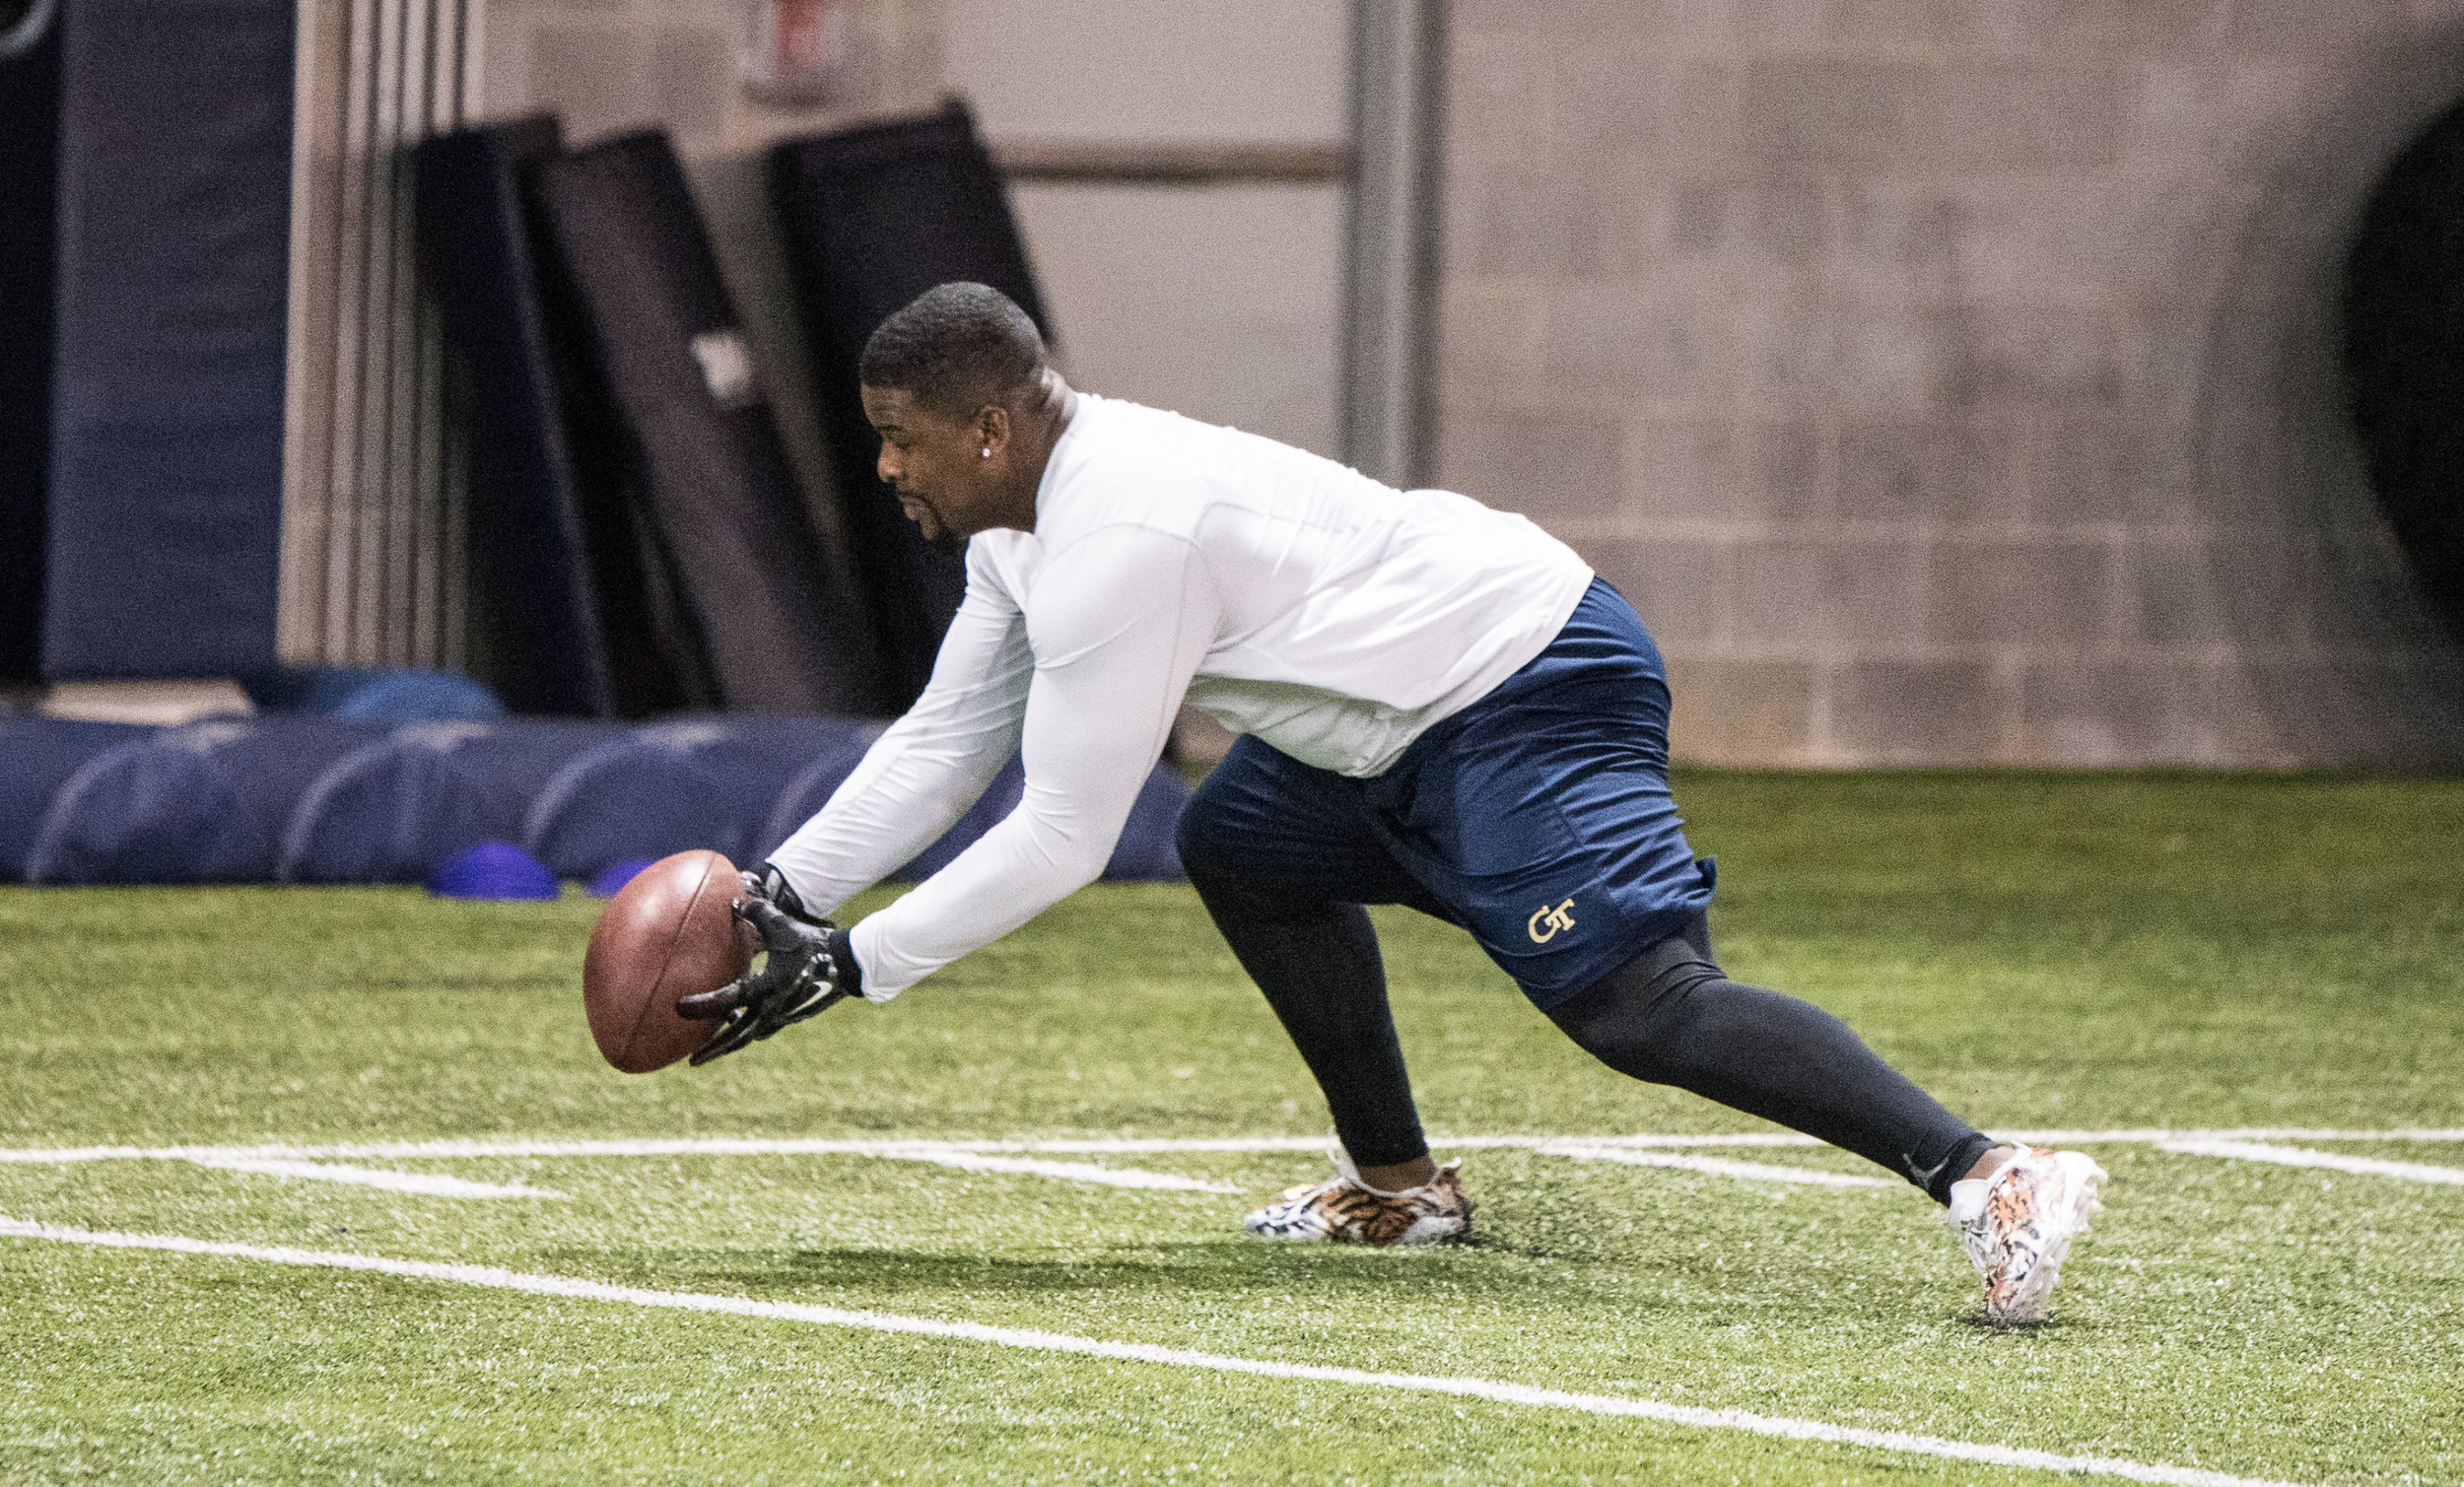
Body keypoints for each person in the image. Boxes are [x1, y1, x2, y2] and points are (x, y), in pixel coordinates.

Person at [677, 282, 2106, 1325]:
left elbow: (1064, 832)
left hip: (1524, 673)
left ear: (989, 430)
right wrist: (780, 894)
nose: (883, 467)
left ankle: (1990, 1175)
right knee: (1241, 840)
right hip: (1394, 715)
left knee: (1641, 1006)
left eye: (897, 437)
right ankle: (1402, 1184)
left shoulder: (1121, 533)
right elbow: (947, 737)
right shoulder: (1026, 523)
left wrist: (855, 964)